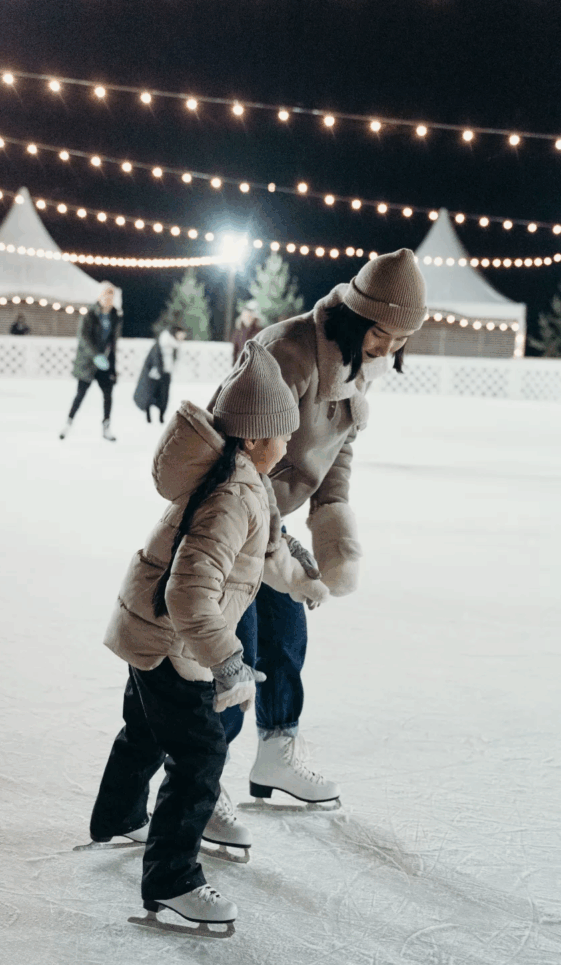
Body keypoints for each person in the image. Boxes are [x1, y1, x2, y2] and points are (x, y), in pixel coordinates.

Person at [86, 341, 320, 935]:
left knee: (145, 728)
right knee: (200, 755)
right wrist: (229, 660)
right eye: (283, 432)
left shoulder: (246, 481)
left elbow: (267, 552)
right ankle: (172, 882)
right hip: (173, 641)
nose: (290, 441)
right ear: (255, 438)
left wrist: (304, 581)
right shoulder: (232, 497)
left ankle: (118, 816)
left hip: (151, 629)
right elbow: (188, 596)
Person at [206, 249, 428, 842]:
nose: (389, 349)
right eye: (382, 334)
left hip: (271, 527)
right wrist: (267, 538)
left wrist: (332, 520)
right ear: (358, 316)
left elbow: (339, 449)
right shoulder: (289, 353)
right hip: (230, 525)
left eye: (401, 339)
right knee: (231, 659)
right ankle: (200, 784)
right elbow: (236, 445)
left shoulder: (354, 365)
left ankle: (275, 756)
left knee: (285, 642)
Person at [59, 282, 121, 441]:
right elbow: (83, 337)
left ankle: (106, 427)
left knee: (108, 395)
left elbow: (113, 342)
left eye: (111, 295)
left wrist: (112, 367)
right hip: (88, 362)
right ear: (100, 296)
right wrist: (95, 356)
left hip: (105, 363)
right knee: (80, 394)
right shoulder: (90, 314)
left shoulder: (115, 316)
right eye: (106, 294)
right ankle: (68, 423)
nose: (108, 298)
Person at [133, 325, 181, 424]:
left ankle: (161, 417)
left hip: (166, 373)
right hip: (154, 375)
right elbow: (155, 358)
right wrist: (159, 369)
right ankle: (148, 416)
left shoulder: (175, 346)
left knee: (163, 397)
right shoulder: (161, 343)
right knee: (149, 395)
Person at [230, 300, 262, 365]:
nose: (247, 318)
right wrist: (234, 365)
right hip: (241, 363)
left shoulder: (258, 331)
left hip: (255, 363)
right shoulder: (238, 331)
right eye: (245, 316)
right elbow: (235, 350)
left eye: (249, 316)